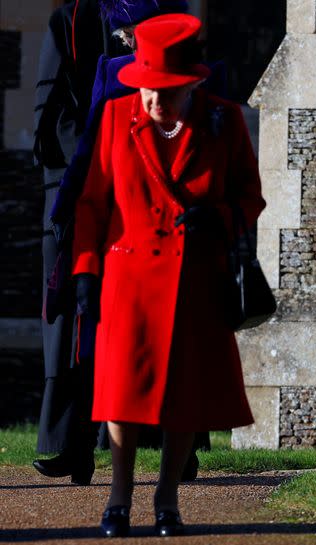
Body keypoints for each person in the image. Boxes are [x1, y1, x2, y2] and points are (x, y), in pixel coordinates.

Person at [71, 13, 265, 537]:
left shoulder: (222, 120)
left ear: (192, 83)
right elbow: (90, 204)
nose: (157, 104)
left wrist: (220, 218)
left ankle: (167, 497)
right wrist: (85, 271)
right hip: (127, 279)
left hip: (196, 277)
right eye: (148, 92)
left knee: (188, 393)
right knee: (121, 393)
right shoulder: (113, 118)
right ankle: (118, 497)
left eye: (169, 94)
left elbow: (251, 196)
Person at [32, 0, 121, 487]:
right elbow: (53, 117)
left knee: (115, 314)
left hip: (112, 184)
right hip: (88, 186)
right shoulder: (69, 20)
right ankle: (73, 441)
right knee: (76, 315)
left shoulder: (141, 18)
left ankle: (78, 441)